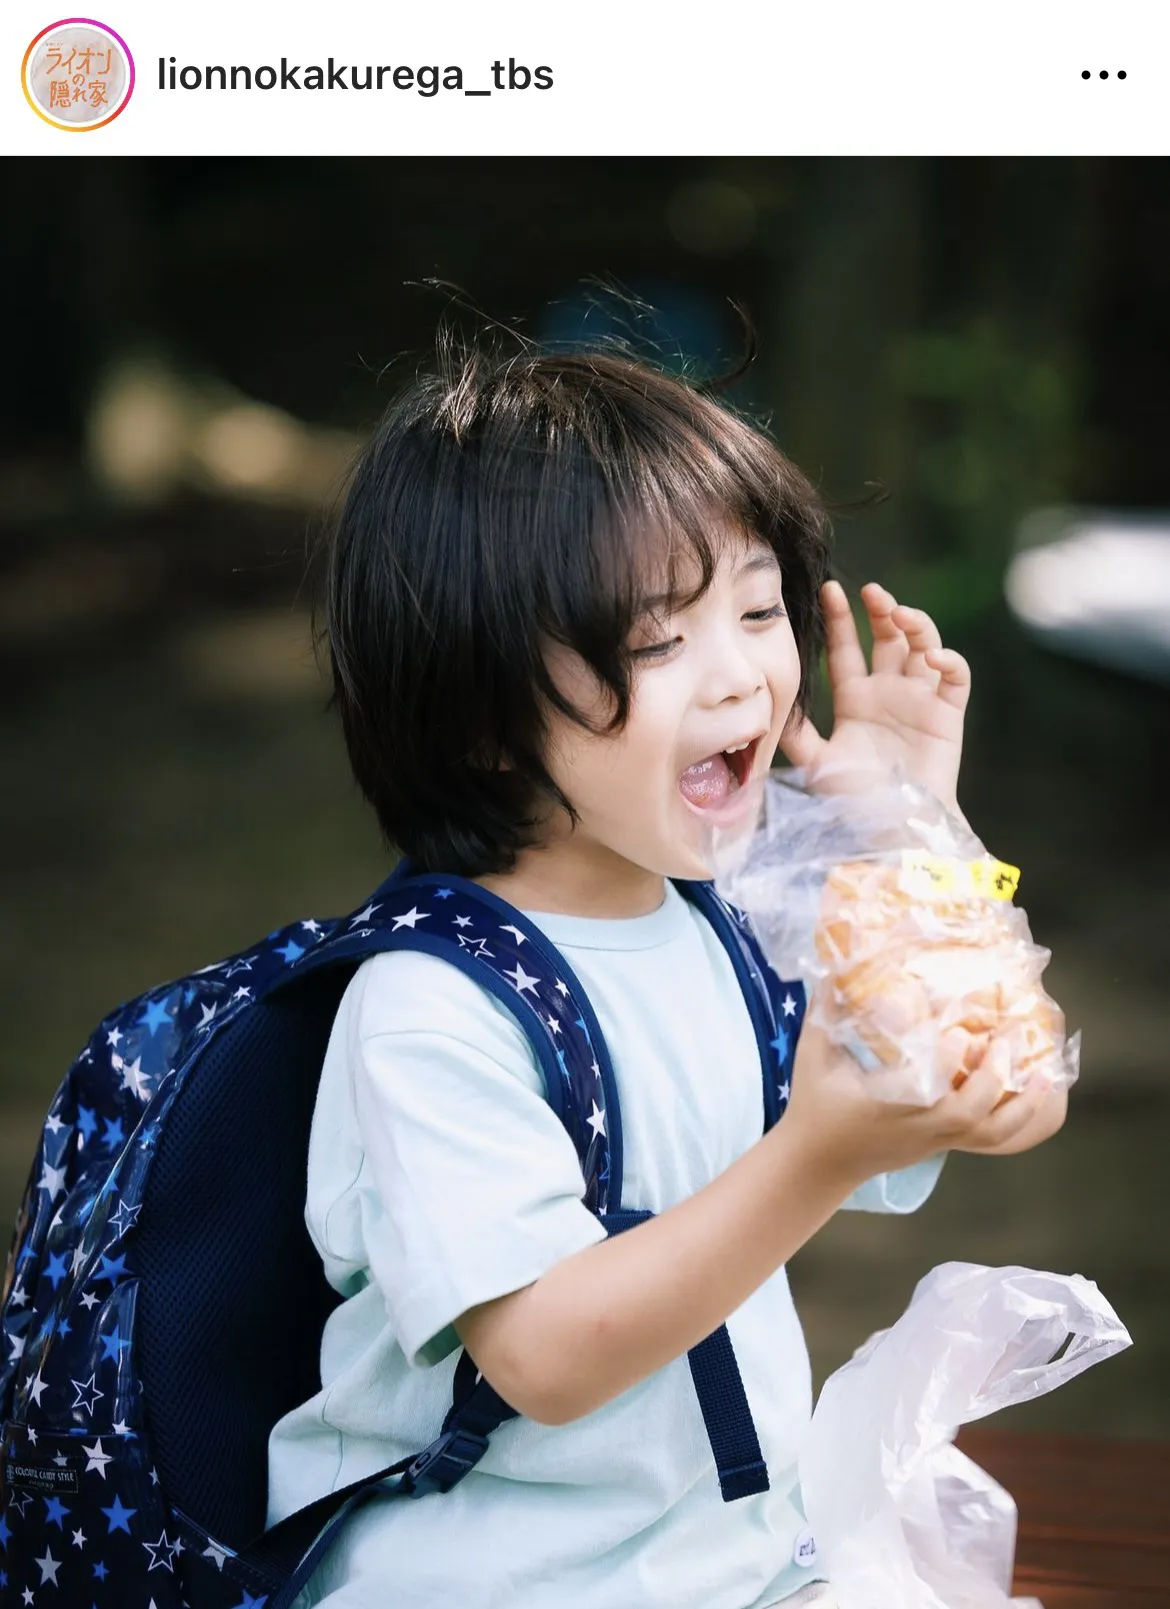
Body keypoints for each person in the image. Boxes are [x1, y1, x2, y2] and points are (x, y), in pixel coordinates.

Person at [265, 338, 1068, 1608]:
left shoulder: (727, 921)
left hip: (740, 1569)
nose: (743, 671)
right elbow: (545, 1354)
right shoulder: (432, 1005)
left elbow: (1010, 1090)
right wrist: (814, 1154)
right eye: (658, 639)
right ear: (481, 715)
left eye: (758, 611)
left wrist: (909, 824)